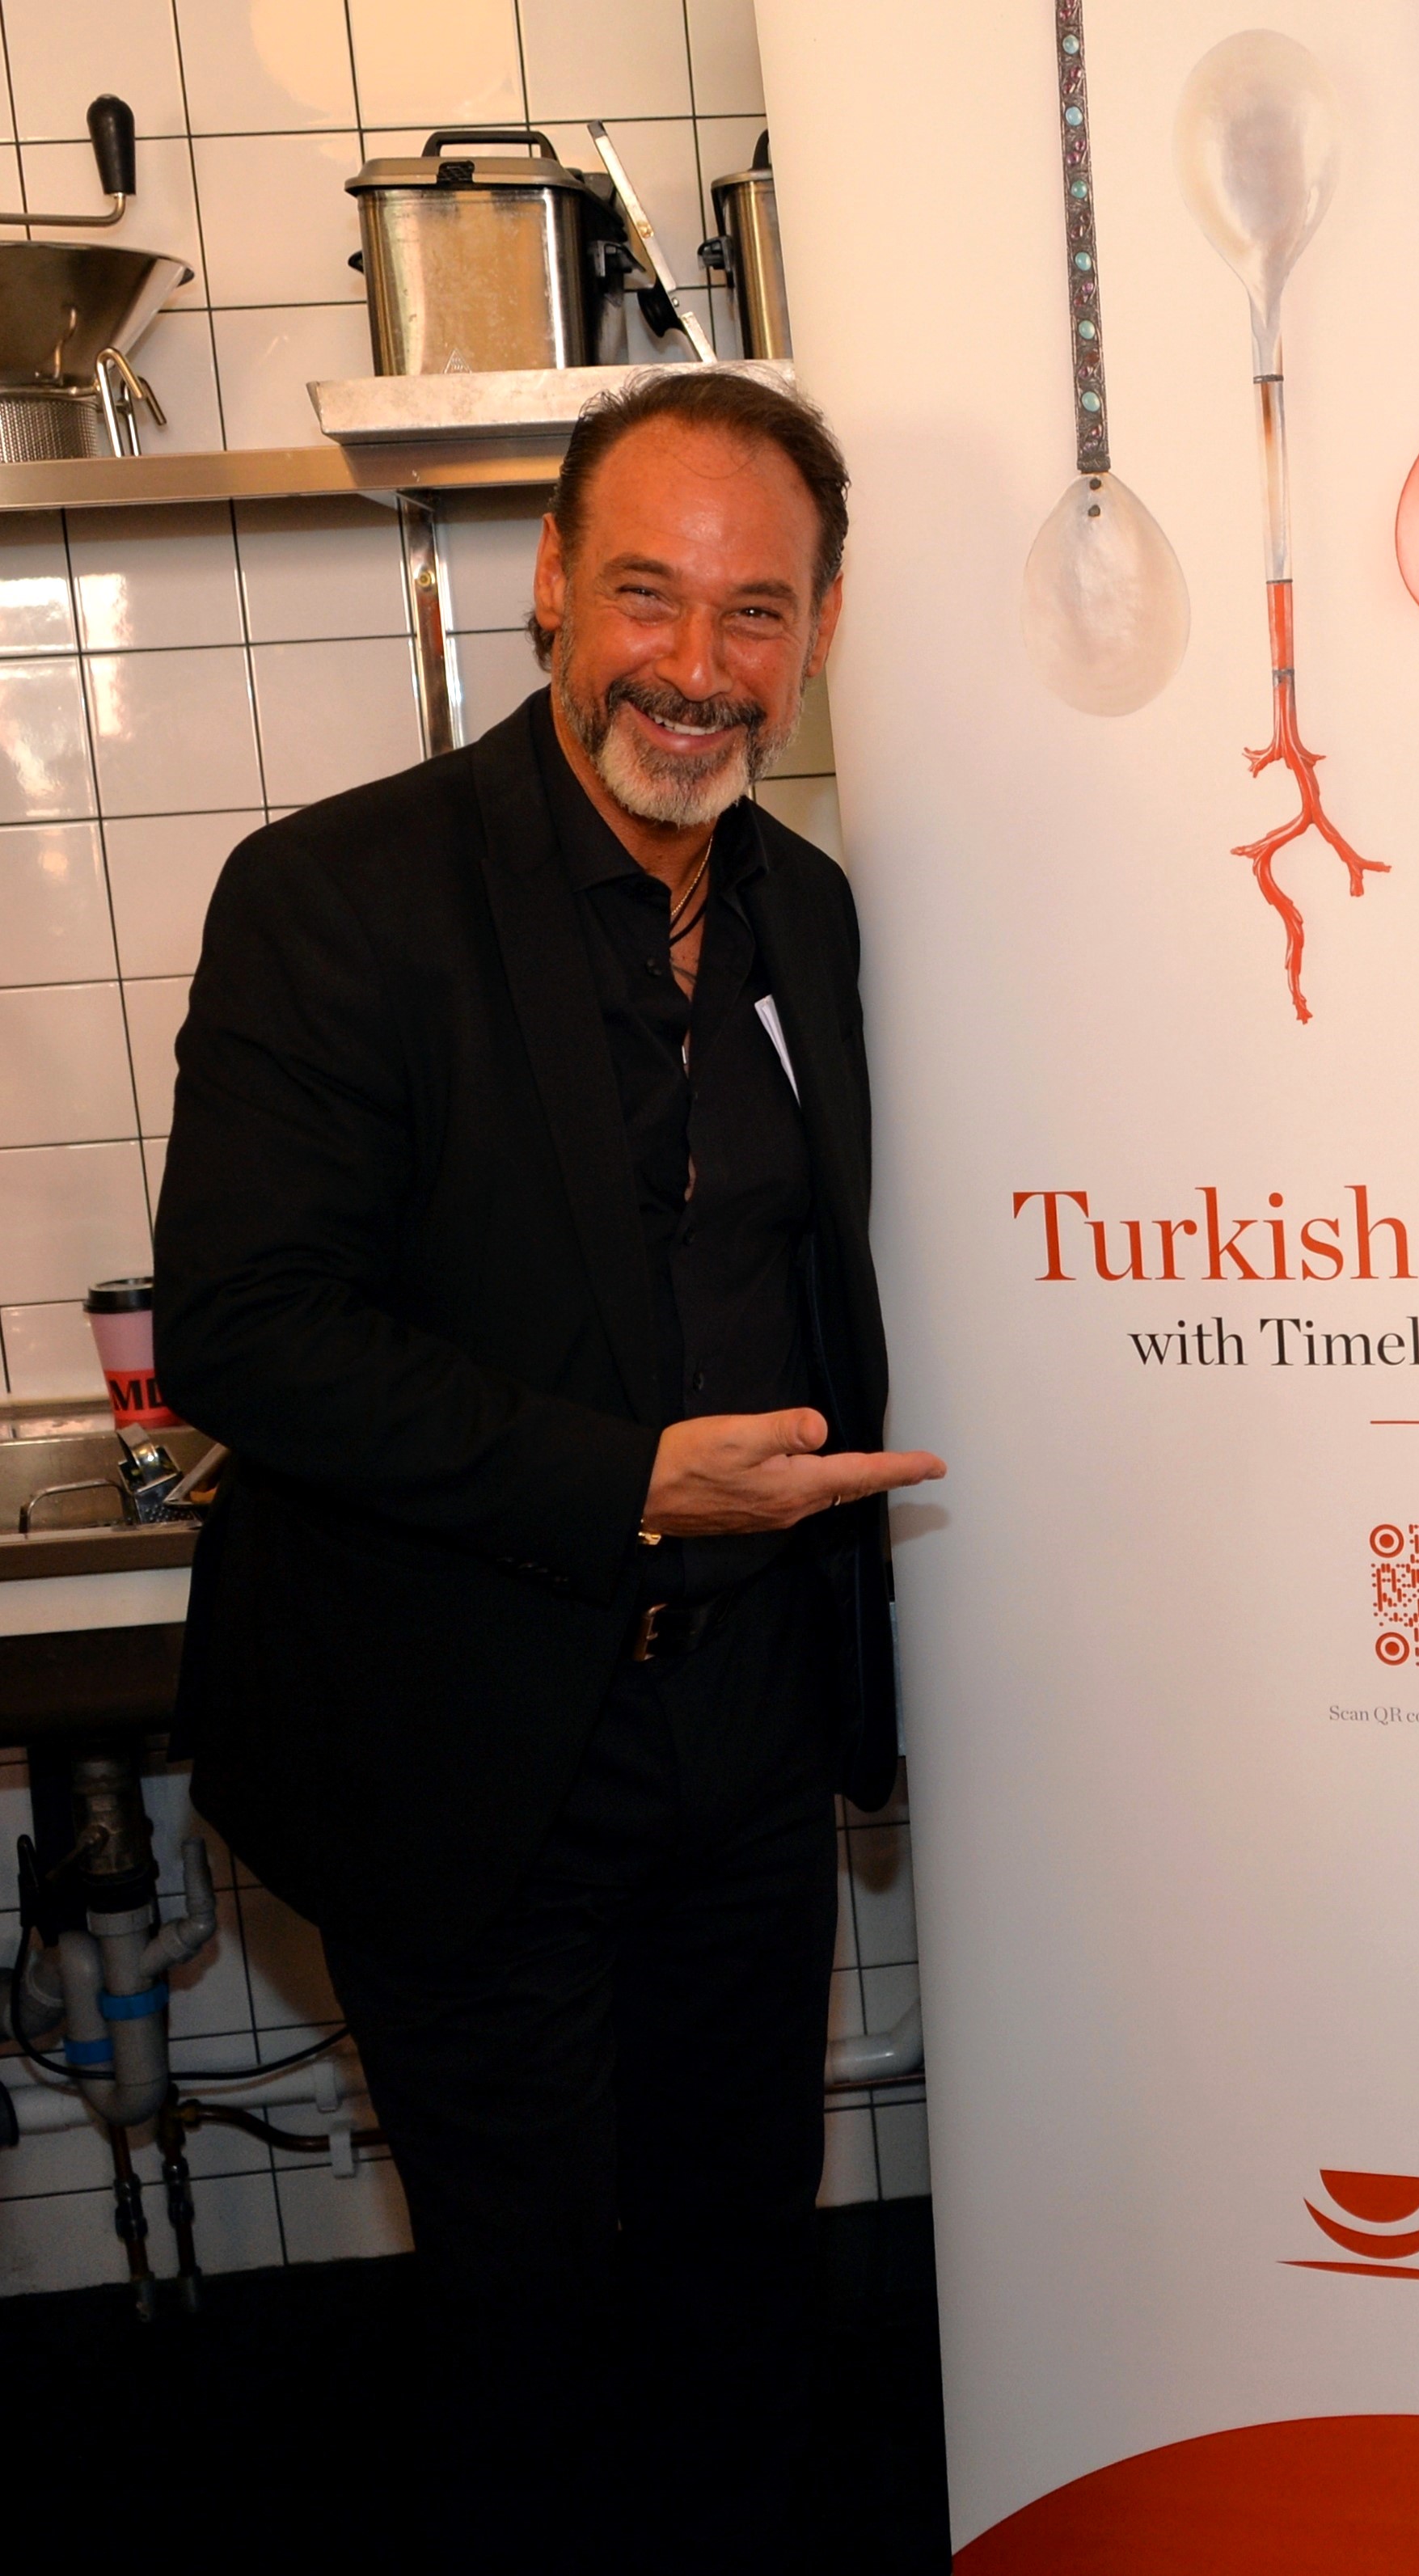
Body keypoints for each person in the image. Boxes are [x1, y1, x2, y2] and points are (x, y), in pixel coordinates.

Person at [154, 370, 942, 2571]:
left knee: (742, 2278)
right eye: (649, 596)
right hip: (467, 1739)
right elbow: (245, 1330)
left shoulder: (809, 913)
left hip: (743, 1740)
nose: (698, 667)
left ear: (821, 631)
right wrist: (627, 1484)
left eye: (757, 612)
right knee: (530, 2321)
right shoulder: (339, 897)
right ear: (548, 586)